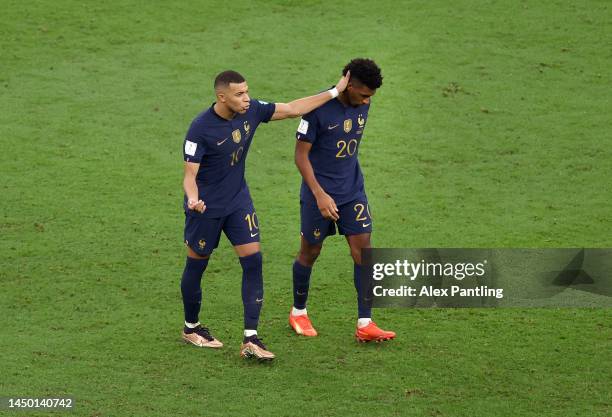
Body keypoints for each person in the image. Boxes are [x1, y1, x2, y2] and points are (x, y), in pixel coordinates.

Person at [180, 69, 350, 361]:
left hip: (237, 202)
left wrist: (335, 91)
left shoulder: (252, 111)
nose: (246, 98)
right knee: (197, 264)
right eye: (239, 94)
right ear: (222, 97)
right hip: (206, 208)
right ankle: (191, 328)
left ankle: (251, 339)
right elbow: (189, 176)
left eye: (247, 91)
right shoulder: (200, 128)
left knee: (253, 261)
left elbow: (293, 108)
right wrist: (194, 200)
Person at [288, 58, 396, 342]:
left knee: (364, 253)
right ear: (348, 84)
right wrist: (320, 194)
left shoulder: (364, 103)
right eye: (362, 94)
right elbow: (300, 157)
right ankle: (298, 312)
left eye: (370, 97)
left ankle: (365, 323)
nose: (366, 102)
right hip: (317, 195)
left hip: (352, 192)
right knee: (310, 253)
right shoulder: (317, 110)